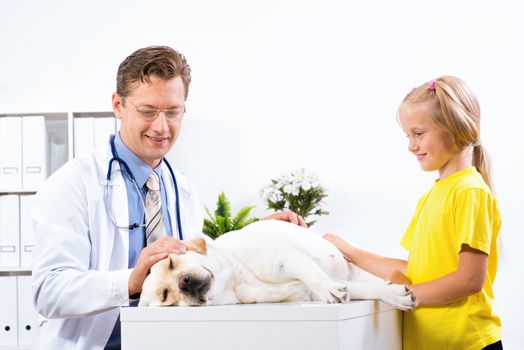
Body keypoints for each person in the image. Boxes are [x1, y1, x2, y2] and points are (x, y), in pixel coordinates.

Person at [31, 45, 306, 350]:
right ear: (119, 105)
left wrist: (260, 235)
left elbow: (203, 266)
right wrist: (131, 282)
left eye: (172, 112)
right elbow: (48, 291)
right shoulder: (72, 185)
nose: (162, 127)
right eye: (148, 111)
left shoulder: (182, 190)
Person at [324, 76, 502, 350]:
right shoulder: (433, 194)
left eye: (419, 134)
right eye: (408, 136)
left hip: (466, 343)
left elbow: (469, 280)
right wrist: (347, 249)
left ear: (458, 128)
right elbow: (413, 271)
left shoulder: (469, 191)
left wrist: (401, 296)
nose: (411, 145)